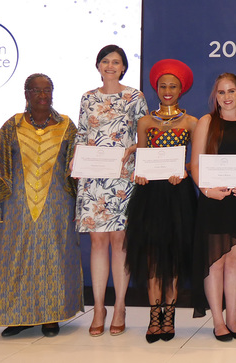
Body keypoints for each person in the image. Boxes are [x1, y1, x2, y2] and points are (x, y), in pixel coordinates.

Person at [0, 74, 83, 338]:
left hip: (57, 203)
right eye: (36, 90)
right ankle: (18, 316)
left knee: (53, 257)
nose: (43, 94)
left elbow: (78, 166)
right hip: (16, 204)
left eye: (48, 89)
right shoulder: (11, 126)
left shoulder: (67, 126)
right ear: (26, 93)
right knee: (17, 258)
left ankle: (51, 317)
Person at [74, 45, 148, 337]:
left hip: (122, 176)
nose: (110, 66)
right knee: (97, 242)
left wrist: (135, 148)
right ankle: (99, 306)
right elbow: (81, 132)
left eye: (116, 62)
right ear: (98, 65)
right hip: (93, 178)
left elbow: (145, 134)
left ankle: (119, 305)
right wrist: (76, 157)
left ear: (123, 67)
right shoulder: (88, 98)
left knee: (119, 241)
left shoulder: (134, 96)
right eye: (105, 61)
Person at [125, 59, 197, 343]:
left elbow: (197, 160)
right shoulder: (145, 122)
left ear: (181, 89)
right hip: (150, 196)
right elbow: (142, 157)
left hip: (178, 195)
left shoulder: (191, 122)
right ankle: (155, 314)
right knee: (153, 257)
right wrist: (140, 173)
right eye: (163, 86)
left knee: (175, 256)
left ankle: (170, 312)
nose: (167, 91)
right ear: (156, 88)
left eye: (173, 86)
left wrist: (185, 170)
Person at [191, 73, 236, 342]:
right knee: (216, 262)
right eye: (221, 92)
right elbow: (196, 164)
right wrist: (207, 190)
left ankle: (233, 319)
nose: (227, 96)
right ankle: (218, 321)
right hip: (214, 202)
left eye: (231, 91)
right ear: (215, 97)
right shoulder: (207, 122)